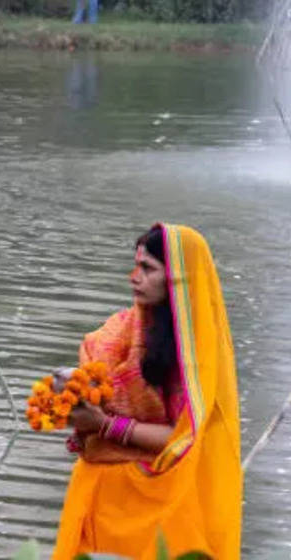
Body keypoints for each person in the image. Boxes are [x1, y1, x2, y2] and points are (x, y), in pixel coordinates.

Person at [53, 224, 241, 559]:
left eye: (148, 269)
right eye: (136, 265)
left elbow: (185, 438)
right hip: (97, 490)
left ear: (179, 279)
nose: (134, 277)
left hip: (158, 501)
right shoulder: (118, 331)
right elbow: (98, 405)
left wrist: (105, 426)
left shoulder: (195, 356)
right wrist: (71, 399)